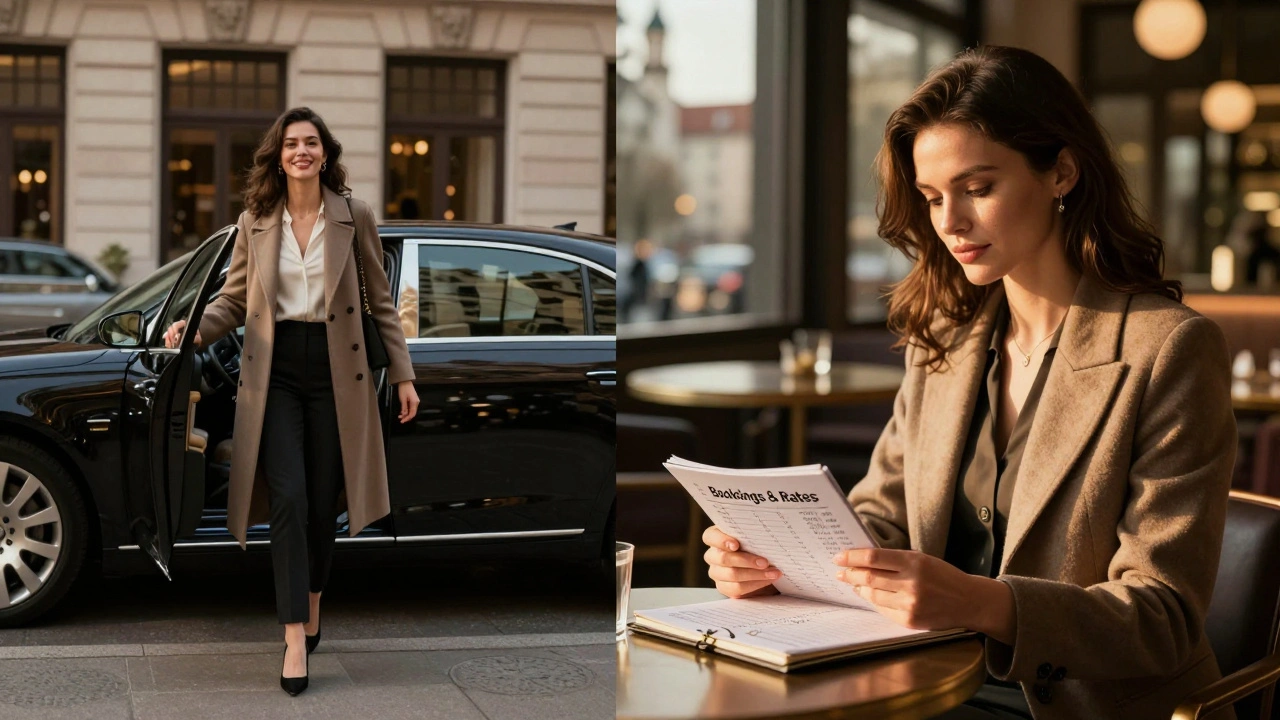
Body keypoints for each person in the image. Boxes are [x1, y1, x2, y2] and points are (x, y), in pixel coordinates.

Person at [700, 46, 1237, 719]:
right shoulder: (945, 344)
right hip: (923, 688)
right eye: (931, 198)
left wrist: (982, 602)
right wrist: (775, 562)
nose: (949, 222)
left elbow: (1162, 618)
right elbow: (880, 524)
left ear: (1061, 172)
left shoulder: (1170, 349)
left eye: (977, 188)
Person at [163, 106, 419, 696]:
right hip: (275, 374)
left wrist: (402, 375)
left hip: (338, 372)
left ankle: (314, 600)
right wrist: (194, 328)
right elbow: (232, 302)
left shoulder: (353, 216)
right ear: (277, 157)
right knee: (288, 498)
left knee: (322, 502)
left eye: (310, 143)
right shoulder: (256, 220)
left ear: (324, 154)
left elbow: (381, 302)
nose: (300, 152)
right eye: (290, 144)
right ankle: (295, 637)